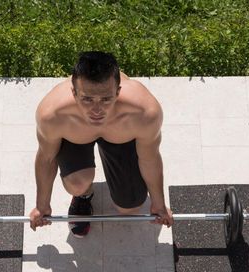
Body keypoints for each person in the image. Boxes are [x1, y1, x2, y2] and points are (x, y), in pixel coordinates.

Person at [29, 51, 174, 236]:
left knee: (130, 208)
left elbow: (149, 158)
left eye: (106, 99)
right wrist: (42, 206)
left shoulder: (145, 113)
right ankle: (83, 195)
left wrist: (159, 203)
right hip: (75, 136)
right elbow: (47, 158)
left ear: (118, 91)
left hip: (120, 136)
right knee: (76, 183)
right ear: (73, 93)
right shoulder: (52, 115)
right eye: (87, 99)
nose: (96, 110)